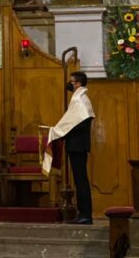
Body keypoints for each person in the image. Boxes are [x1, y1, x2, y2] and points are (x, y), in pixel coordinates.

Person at [43, 71, 95, 225]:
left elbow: (76, 124)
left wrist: (60, 132)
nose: (70, 84)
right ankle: (83, 213)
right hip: (77, 145)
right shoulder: (80, 99)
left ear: (78, 84)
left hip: (78, 146)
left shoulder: (80, 100)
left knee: (81, 181)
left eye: (72, 81)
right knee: (80, 180)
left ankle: (85, 215)